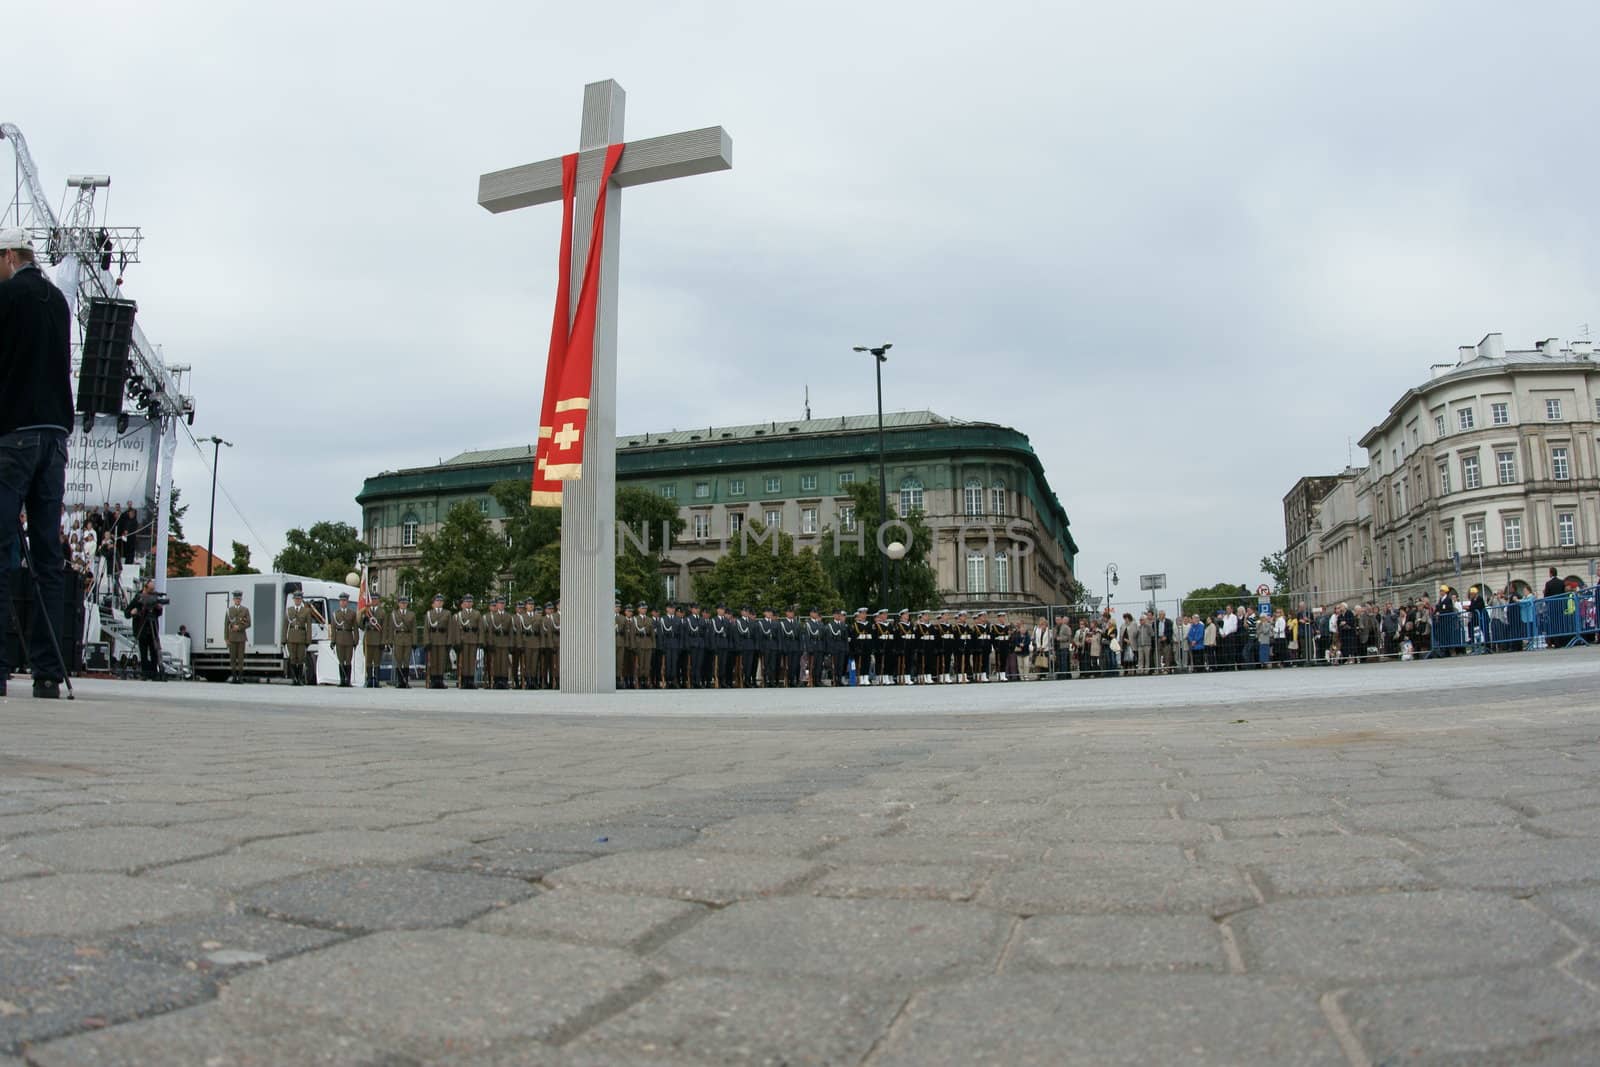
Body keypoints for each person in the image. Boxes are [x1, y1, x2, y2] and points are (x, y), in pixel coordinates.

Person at [0, 228, 72, 698]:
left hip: (16, 436)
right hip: (55, 437)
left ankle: (0, 665)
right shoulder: (59, 302)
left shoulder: (7, 297)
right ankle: (47, 671)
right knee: (48, 558)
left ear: (8, 256)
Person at [451, 594, 482, 689]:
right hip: (462, 640)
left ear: (472, 603)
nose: (468, 604)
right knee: (463, 661)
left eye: (470, 602)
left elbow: (480, 628)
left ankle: (471, 680)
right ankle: (464, 680)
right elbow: (455, 630)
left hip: (473, 639)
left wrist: (480, 641)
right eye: (466, 602)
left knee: (472, 661)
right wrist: (456, 642)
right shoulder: (458, 615)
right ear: (463, 604)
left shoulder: (477, 614)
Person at [282, 590, 313, 685]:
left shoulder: (306, 611)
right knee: (292, 658)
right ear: (293, 600)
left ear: (301, 600)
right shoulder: (289, 610)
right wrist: (284, 639)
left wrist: (308, 640)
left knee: (300, 658)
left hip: (301, 637)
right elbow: (285, 626)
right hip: (291, 637)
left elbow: (309, 626)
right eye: (296, 599)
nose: (297, 601)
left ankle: (299, 678)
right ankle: (294, 679)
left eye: (299, 599)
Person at [329, 592, 359, 687]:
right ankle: (342, 680)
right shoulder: (335, 614)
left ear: (347, 602)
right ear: (339, 602)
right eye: (341, 601)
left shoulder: (352, 613)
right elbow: (333, 628)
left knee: (348, 660)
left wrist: (356, 640)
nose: (343, 602)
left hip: (349, 637)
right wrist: (333, 641)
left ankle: (348, 680)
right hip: (339, 638)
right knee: (341, 660)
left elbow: (355, 628)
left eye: (345, 601)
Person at [424, 593, 451, 688]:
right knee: (433, 661)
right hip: (432, 639)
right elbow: (426, 629)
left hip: (443, 639)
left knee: (441, 661)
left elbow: (450, 628)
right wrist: (426, 641)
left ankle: (440, 680)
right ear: (433, 603)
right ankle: (433, 680)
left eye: (441, 601)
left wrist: (449, 642)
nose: (439, 603)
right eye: (437, 601)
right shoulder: (429, 613)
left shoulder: (447, 613)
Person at [388, 594, 416, 688]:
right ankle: (400, 681)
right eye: (401, 603)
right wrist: (390, 641)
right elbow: (391, 628)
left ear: (407, 604)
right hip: (398, 638)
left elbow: (414, 629)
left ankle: (405, 681)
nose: (403, 604)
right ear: (398, 604)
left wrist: (414, 642)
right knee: (399, 660)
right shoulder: (394, 614)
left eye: (405, 603)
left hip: (408, 638)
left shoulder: (411, 614)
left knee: (407, 661)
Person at [224, 589, 251, 684]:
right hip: (232, 637)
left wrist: (239, 627)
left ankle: (240, 677)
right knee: (232, 658)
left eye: (239, 599)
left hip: (241, 637)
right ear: (233, 599)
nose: (237, 600)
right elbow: (226, 625)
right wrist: (226, 638)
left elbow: (249, 623)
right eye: (236, 599)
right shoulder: (229, 610)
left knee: (240, 658)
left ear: (241, 599)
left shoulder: (245, 610)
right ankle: (234, 677)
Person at [486, 595, 513, 689]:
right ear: (496, 605)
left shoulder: (509, 616)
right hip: (496, 641)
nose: (501, 605)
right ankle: (497, 681)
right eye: (499, 603)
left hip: (505, 641)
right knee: (497, 662)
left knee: (504, 662)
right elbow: (490, 631)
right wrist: (490, 643)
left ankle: (504, 681)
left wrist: (511, 644)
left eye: (503, 603)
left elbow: (510, 631)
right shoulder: (493, 617)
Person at [361, 596, 386, 687]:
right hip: (368, 638)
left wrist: (383, 641)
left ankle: (376, 680)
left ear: (378, 601)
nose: (374, 601)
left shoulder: (382, 612)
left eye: (376, 599)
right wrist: (363, 620)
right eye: (372, 599)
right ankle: (369, 680)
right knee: (368, 661)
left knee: (377, 662)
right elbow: (360, 625)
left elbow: (384, 628)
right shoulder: (366, 611)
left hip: (377, 639)